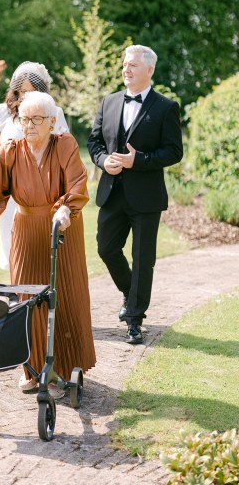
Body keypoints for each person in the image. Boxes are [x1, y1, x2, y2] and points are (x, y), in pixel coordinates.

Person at [0, 91, 96, 396]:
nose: (28, 125)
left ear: (52, 122)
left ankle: (64, 367)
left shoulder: (65, 145)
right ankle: (31, 369)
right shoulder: (11, 151)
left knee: (64, 296)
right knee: (27, 300)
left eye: (36, 119)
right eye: (24, 118)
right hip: (26, 230)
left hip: (61, 228)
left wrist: (66, 208)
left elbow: (77, 183)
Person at [87, 44, 183, 344]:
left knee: (143, 259)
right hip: (112, 193)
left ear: (149, 70)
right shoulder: (109, 101)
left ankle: (134, 319)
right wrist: (105, 162)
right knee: (106, 248)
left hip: (146, 197)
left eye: (133, 66)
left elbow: (173, 151)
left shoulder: (166, 107)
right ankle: (131, 294)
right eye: (124, 65)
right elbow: (94, 142)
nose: (126, 70)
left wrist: (137, 160)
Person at [0, 61, 69, 270]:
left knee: (41, 242)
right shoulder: (3, 112)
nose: (26, 96)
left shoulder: (55, 113)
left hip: (44, 190)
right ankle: (16, 285)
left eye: (31, 91)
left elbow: (65, 153)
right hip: (10, 187)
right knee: (10, 236)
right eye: (22, 91)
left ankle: (41, 287)